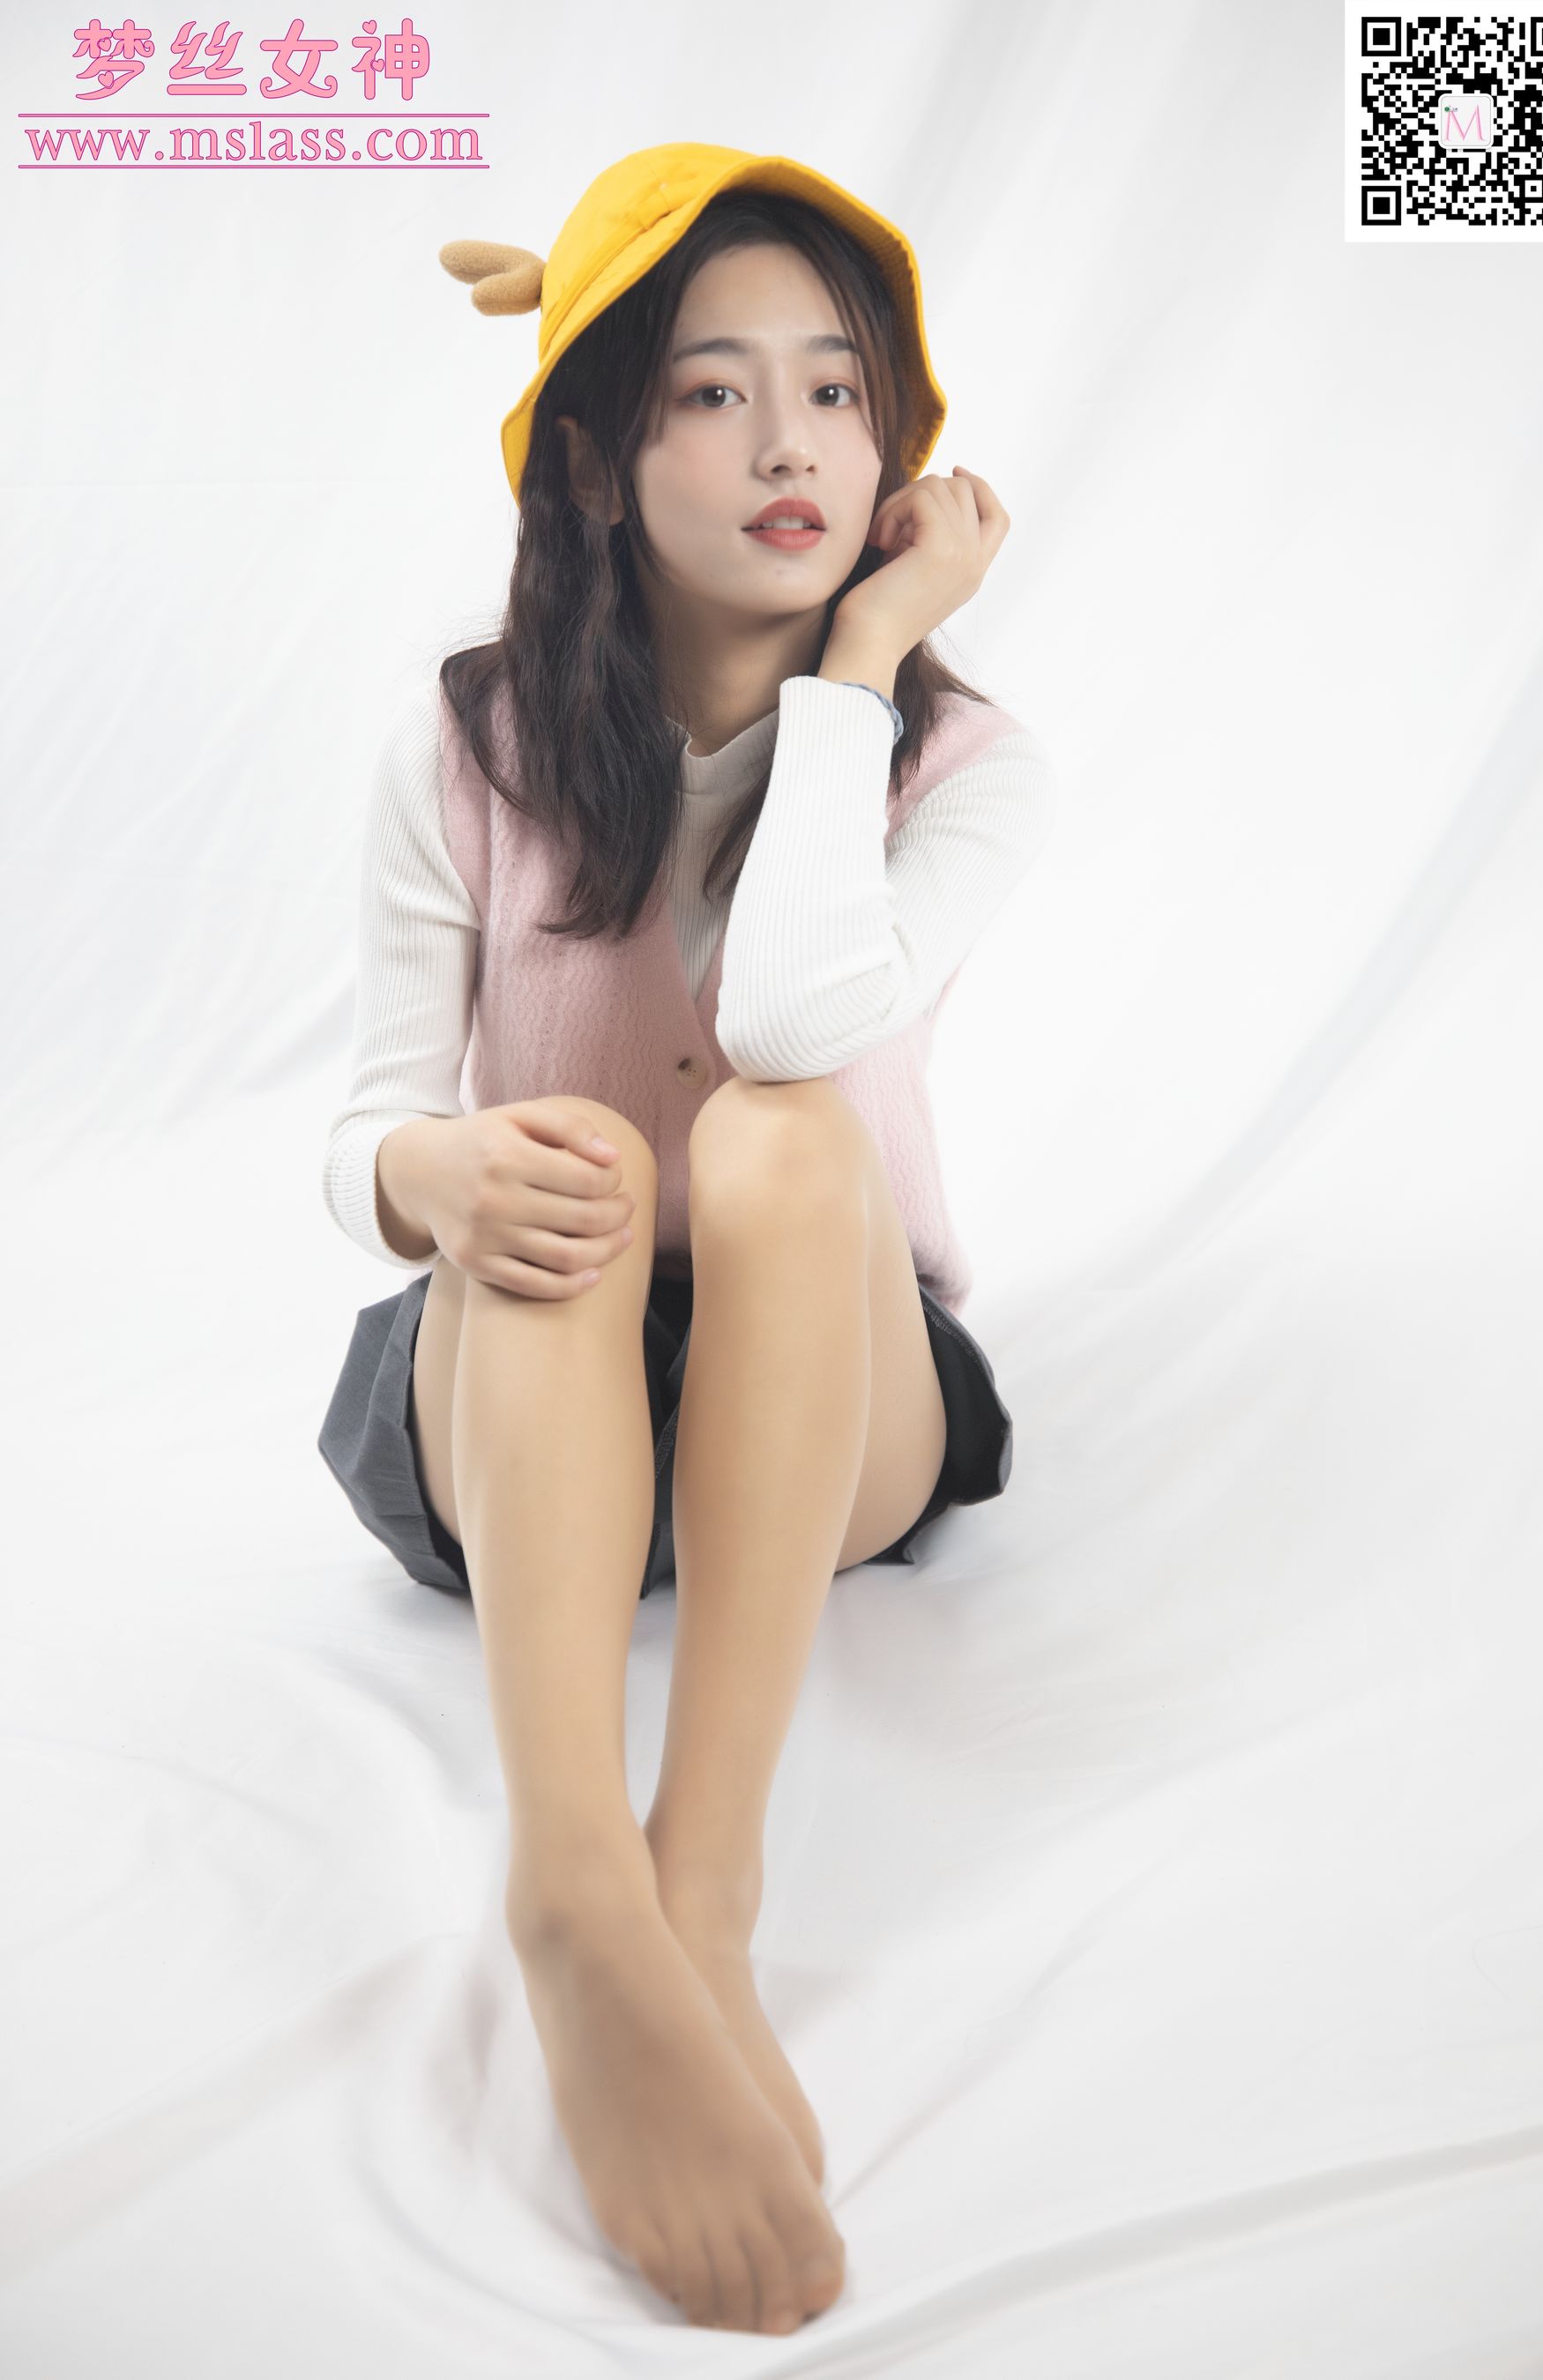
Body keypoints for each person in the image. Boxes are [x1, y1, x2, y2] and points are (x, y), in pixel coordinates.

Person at [317, 143, 1058, 2337]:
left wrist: (861, 670)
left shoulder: (965, 763)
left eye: (835, 392)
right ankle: (575, 1891)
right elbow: (364, 1123)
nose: (791, 446)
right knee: (566, 1157)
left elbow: (795, 1022)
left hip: (823, 1390)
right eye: (713, 394)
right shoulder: (466, 744)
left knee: (785, 1145)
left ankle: (700, 1891)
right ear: (598, 458)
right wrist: (427, 1178)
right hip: (526, 1379)